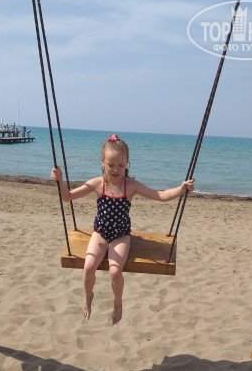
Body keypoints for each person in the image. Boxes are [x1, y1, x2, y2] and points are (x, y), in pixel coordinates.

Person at [51, 134, 195, 325]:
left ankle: (118, 302)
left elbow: (160, 195)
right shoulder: (97, 183)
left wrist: (181, 189)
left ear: (127, 163)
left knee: (115, 271)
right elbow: (67, 197)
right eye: (111, 165)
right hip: (100, 233)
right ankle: (88, 297)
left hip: (121, 236)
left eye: (121, 165)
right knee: (88, 267)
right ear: (102, 162)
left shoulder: (131, 186)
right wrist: (60, 181)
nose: (116, 169)